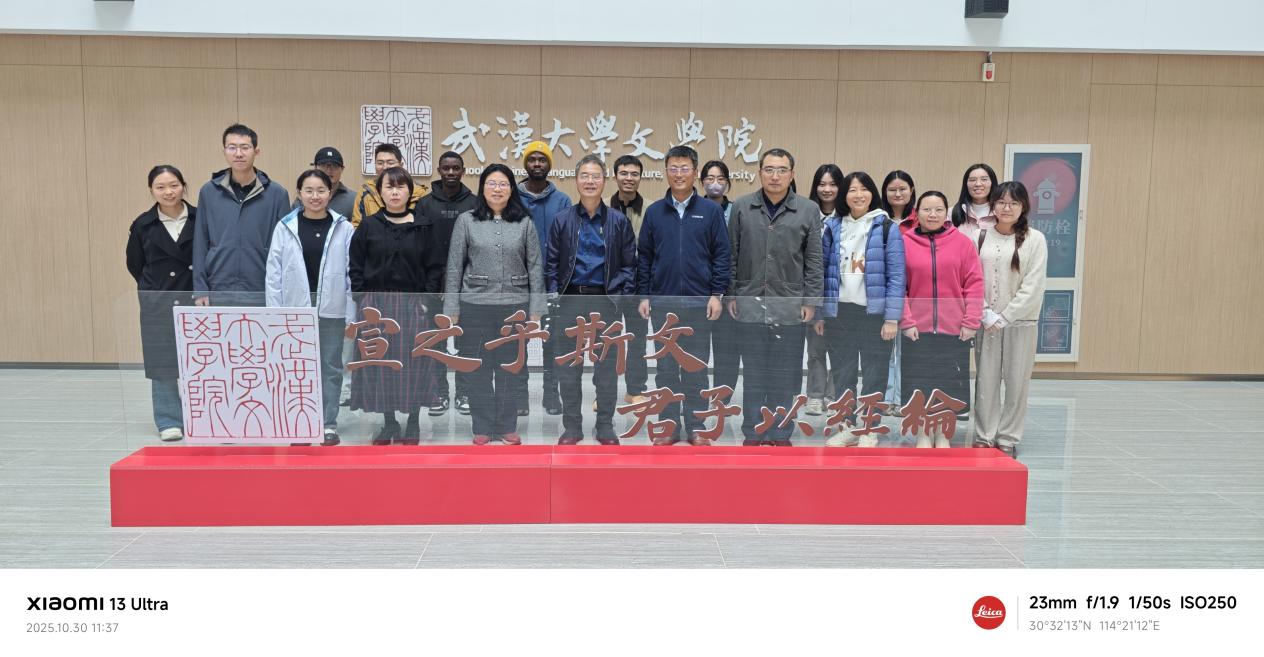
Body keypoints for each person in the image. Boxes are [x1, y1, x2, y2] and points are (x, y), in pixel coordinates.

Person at [727, 148, 823, 447]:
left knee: (784, 374)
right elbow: (731, 255)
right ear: (760, 173)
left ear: (792, 174)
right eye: (769, 169)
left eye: (782, 170)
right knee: (753, 373)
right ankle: (754, 431)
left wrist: (811, 301)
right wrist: (731, 294)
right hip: (750, 304)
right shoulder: (742, 206)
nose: (775, 176)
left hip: (789, 306)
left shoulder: (807, 209)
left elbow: (814, 260)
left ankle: (781, 432)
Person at [445, 164, 546, 445]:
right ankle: (482, 425)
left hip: (515, 307)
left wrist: (536, 309)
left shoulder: (524, 222)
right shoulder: (466, 221)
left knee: (510, 369)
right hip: (474, 306)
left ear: (512, 189)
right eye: (492, 183)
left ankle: (506, 425)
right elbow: (454, 266)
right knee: (477, 369)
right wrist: (451, 309)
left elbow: (535, 266)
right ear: (482, 188)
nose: (497, 189)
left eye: (503, 184)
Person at [637, 145, 730, 445]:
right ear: (666, 171)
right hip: (663, 304)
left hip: (698, 304)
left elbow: (721, 255)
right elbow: (644, 257)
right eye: (673, 168)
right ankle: (668, 425)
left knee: (696, 368)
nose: (679, 174)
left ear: (695, 172)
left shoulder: (711, 211)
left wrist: (717, 293)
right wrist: (644, 296)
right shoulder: (654, 212)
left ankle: (696, 426)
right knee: (665, 369)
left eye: (685, 168)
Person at [545, 155, 637, 445]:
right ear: (576, 180)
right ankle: (572, 426)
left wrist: (620, 299)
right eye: (584, 175)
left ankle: (605, 425)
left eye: (595, 176)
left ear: (604, 181)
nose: (590, 181)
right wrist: (553, 297)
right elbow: (551, 264)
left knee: (606, 368)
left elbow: (629, 265)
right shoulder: (562, 220)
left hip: (605, 302)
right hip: (570, 300)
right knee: (568, 369)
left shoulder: (618, 221)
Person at [265, 169, 354, 447]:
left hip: (332, 309)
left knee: (330, 368)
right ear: (299, 193)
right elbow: (273, 274)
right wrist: (275, 314)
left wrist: (351, 314)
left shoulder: (343, 227)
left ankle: (328, 424)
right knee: (297, 369)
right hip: (294, 311)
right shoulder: (285, 226)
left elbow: (351, 274)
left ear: (330, 193)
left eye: (321, 191)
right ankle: (300, 424)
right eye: (309, 190)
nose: (315, 196)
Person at [348, 167, 436, 445]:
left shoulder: (424, 226)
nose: (395, 192)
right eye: (389, 186)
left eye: (400, 187)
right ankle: (389, 423)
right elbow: (355, 266)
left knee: (415, 364)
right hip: (376, 306)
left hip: (413, 305)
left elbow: (435, 268)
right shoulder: (369, 225)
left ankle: (413, 422)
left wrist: (426, 301)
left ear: (410, 191)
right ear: (380, 191)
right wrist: (363, 300)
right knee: (382, 365)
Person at [816, 171, 905, 447]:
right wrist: (821, 313)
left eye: (864, 189)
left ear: (872, 194)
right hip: (840, 312)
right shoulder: (832, 226)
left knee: (874, 373)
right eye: (852, 190)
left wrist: (892, 318)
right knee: (842, 373)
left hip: (873, 314)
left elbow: (897, 276)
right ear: (844, 195)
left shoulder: (886, 227)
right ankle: (847, 427)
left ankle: (869, 428)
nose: (858, 195)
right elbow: (822, 273)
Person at [900, 191, 983, 448]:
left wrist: (971, 321)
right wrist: (906, 321)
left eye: (938, 209)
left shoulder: (962, 243)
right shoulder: (905, 242)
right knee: (920, 383)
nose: (932, 214)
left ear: (946, 213)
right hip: (917, 330)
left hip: (954, 329)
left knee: (947, 383)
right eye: (927, 209)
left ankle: (943, 433)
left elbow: (974, 284)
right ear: (917, 213)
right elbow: (898, 286)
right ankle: (923, 433)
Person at [973, 181, 1047, 459]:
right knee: (986, 381)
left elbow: (1034, 285)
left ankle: (1008, 436)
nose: (1007, 208)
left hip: (1020, 323)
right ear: (993, 205)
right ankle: (984, 435)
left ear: (1023, 206)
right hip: (986, 322)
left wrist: (1005, 316)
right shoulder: (979, 236)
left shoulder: (1035, 239)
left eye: (1014, 203)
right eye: (1002, 202)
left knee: (1017, 382)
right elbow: (971, 279)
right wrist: (985, 313)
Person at [126, 165, 197, 442]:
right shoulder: (143, 225)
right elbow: (135, 264)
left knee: (200, 361)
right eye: (161, 187)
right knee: (163, 363)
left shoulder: (200, 218)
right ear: (151, 190)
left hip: (195, 299)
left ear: (183, 186)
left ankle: (201, 415)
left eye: (174, 185)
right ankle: (169, 420)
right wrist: (153, 291)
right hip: (159, 302)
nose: (168, 192)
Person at [192, 124, 290, 306]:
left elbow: (286, 248)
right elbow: (200, 243)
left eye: (245, 147)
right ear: (224, 151)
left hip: (263, 288)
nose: (238, 154)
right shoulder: (209, 191)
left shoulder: (277, 194)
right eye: (232, 147)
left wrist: (283, 291)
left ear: (256, 151)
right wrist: (200, 289)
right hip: (218, 287)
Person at [414, 150, 479, 417]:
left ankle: (464, 392)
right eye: (446, 168)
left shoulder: (475, 203)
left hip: (467, 285)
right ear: (439, 170)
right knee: (435, 343)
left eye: (456, 168)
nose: (451, 172)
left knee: (467, 342)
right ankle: (438, 392)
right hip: (433, 287)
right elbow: (418, 246)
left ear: (463, 171)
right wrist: (428, 283)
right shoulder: (424, 204)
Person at [517, 141, 571, 416]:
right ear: (525, 164)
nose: (537, 164)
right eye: (532, 159)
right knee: (519, 340)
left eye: (542, 159)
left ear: (549, 165)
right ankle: (520, 395)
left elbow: (568, 242)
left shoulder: (562, 200)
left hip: (552, 281)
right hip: (518, 281)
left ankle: (551, 393)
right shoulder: (513, 197)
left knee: (553, 341)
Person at [608, 154, 650, 405]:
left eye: (634, 174)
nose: (629, 178)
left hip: (639, 286)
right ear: (615, 176)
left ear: (640, 177)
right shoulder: (602, 206)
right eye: (624, 173)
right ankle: (605, 393)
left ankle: (635, 390)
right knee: (607, 342)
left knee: (637, 341)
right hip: (609, 288)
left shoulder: (652, 209)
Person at [803, 164, 842, 416]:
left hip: (840, 294)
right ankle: (815, 395)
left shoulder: (847, 218)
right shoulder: (807, 214)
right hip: (813, 292)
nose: (827, 189)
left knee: (839, 350)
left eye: (832, 184)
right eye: (822, 184)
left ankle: (834, 395)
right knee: (816, 350)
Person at [700, 160, 742, 397]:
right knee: (697, 350)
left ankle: (721, 400)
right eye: (709, 179)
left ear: (727, 183)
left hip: (728, 292)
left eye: (720, 179)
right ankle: (697, 397)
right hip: (699, 291)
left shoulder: (737, 211)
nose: (715, 184)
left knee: (727, 351)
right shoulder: (694, 209)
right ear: (702, 182)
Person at [880, 170, 917, 416]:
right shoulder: (878, 219)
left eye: (902, 189)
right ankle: (886, 398)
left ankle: (903, 398)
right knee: (884, 350)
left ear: (911, 191)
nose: (897, 193)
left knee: (906, 351)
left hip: (913, 293)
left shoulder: (919, 220)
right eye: (892, 189)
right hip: (883, 292)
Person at [350, 143, 428, 227]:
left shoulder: (419, 192)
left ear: (401, 165)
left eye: (390, 162)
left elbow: (424, 224)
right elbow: (357, 224)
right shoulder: (365, 191)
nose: (385, 167)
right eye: (380, 163)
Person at [291, 147, 355, 219]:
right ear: (315, 167)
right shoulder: (305, 197)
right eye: (323, 165)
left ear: (342, 169)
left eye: (335, 165)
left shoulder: (353, 199)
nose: (329, 170)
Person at [950, 163, 998, 243]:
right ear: (966, 184)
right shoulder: (951, 213)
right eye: (972, 180)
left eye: (984, 179)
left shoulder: (1001, 213)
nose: (978, 184)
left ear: (992, 183)